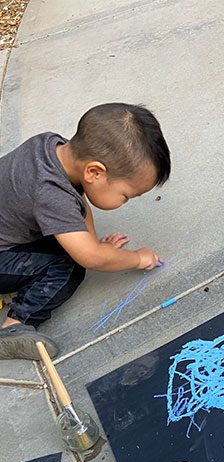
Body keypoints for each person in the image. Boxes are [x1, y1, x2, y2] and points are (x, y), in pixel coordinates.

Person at [0, 102, 170, 360]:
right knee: (67, 267)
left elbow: (76, 202)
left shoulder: (52, 148)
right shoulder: (50, 192)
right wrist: (136, 258)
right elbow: (91, 258)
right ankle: (14, 327)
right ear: (95, 172)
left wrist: (92, 242)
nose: (126, 201)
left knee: (68, 245)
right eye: (126, 195)